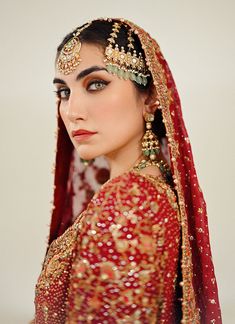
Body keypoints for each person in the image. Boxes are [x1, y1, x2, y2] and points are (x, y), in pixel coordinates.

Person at [33, 18, 222, 323]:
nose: (72, 112)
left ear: (149, 98)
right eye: (64, 92)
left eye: (96, 84)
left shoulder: (129, 200)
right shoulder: (148, 191)